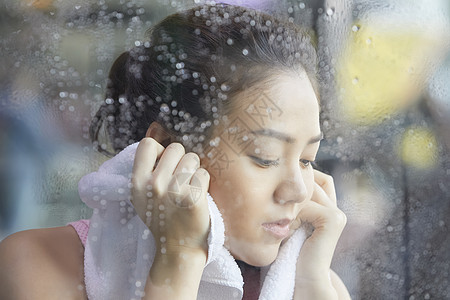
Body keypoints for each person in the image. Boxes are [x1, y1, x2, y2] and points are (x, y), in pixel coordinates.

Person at [0, 3, 350, 299]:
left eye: (307, 160)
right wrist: (177, 262)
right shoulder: (37, 264)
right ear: (168, 150)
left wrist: (313, 282)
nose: (299, 190)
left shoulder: (313, 283)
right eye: (266, 157)